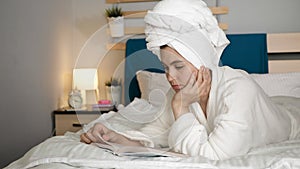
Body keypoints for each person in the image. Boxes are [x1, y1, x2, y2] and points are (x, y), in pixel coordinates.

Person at [81, 0, 299, 160]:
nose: (170, 77)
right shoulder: (179, 93)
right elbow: (154, 135)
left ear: (203, 61)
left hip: (291, 114)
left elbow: (212, 155)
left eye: (178, 66)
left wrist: (182, 107)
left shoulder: (239, 90)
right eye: (165, 68)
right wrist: (112, 137)